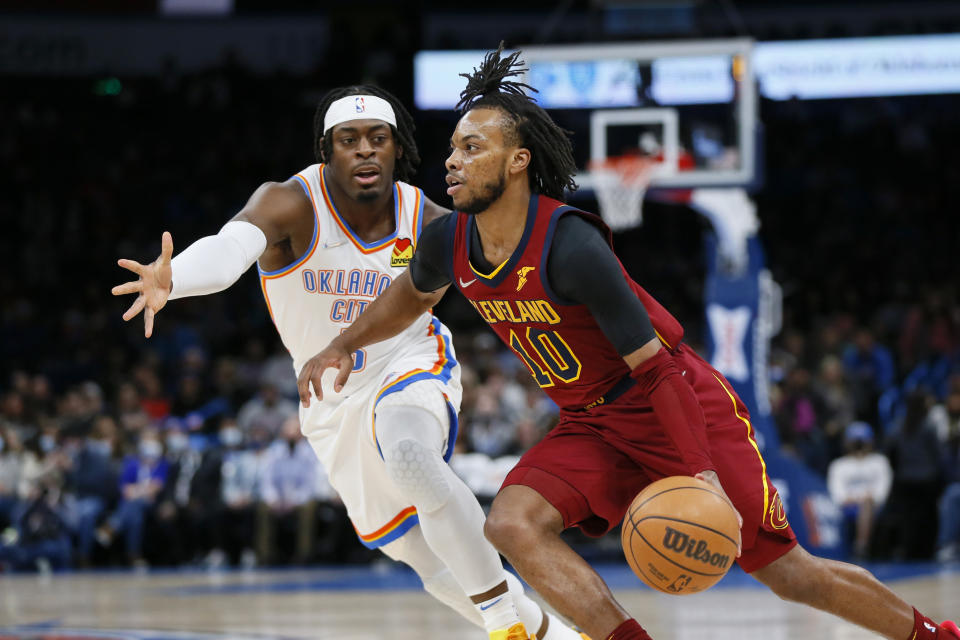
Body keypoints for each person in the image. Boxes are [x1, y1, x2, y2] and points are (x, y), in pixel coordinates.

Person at [297, 47, 960, 640]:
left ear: (518, 160)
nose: (451, 160)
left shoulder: (572, 246)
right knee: (512, 523)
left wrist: (699, 474)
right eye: (452, 148)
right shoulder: (449, 241)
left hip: (677, 405)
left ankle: (933, 635)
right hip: (594, 421)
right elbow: (407, 297)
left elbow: (660, 373)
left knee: (789, 574)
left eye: (472, 147)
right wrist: (342, 345)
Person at [112, 84, 583, 640]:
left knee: (411, 456)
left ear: (397, 149)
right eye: (349, 140)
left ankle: (503, 619)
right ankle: (555, 636)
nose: (365, 150)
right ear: (326, 150)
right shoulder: (290, 203)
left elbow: (503, 280)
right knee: (424, 558)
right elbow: (230, 248)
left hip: (408, 362)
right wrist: (177, 277)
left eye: (378, 139)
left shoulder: (429, 220)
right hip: (329, 401)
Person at [826, 421, 891, 558]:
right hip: (847, 507)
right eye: (856, 442)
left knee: (866, 506)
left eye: (862, 442)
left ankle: (861, 547)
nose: (859, 446)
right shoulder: (839, 465)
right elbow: (838, 496)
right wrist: (858, 498)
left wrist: (865, 499)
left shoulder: (879, 462)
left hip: (873, 506)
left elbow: (881, 493)